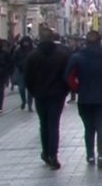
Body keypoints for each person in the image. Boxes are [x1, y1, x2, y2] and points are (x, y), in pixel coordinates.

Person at [66, 30, 102, 169]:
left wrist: (77, 89)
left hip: (85, 98)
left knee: (88, 128)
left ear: (86, 42)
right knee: (101, 126)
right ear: (99, 41)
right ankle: (101, 155)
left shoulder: (77, 57)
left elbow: (69, 77)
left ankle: (90, 155)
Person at [24, 28, 71, 169]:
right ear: (52, 38)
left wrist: (33, 91)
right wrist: (65, 91)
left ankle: (45, 152)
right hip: (57, 95)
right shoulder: (62, 55)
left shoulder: (32, 56)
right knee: (54, 124)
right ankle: (53, 154)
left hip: (40, 94)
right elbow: (67, 75)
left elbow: (28, 77)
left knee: (43, 124)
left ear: (40, 38)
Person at [11, 36, 34, 111]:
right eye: (24, 42)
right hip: (21, 71)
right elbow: (14, 59)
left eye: (27, 42)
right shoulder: (18, 51)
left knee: (30, 89)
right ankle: (23, 101)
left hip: (31, 72)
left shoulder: (33, 50)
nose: (26, 43)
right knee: (21, 88)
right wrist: (19, 65)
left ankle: (30, 105)